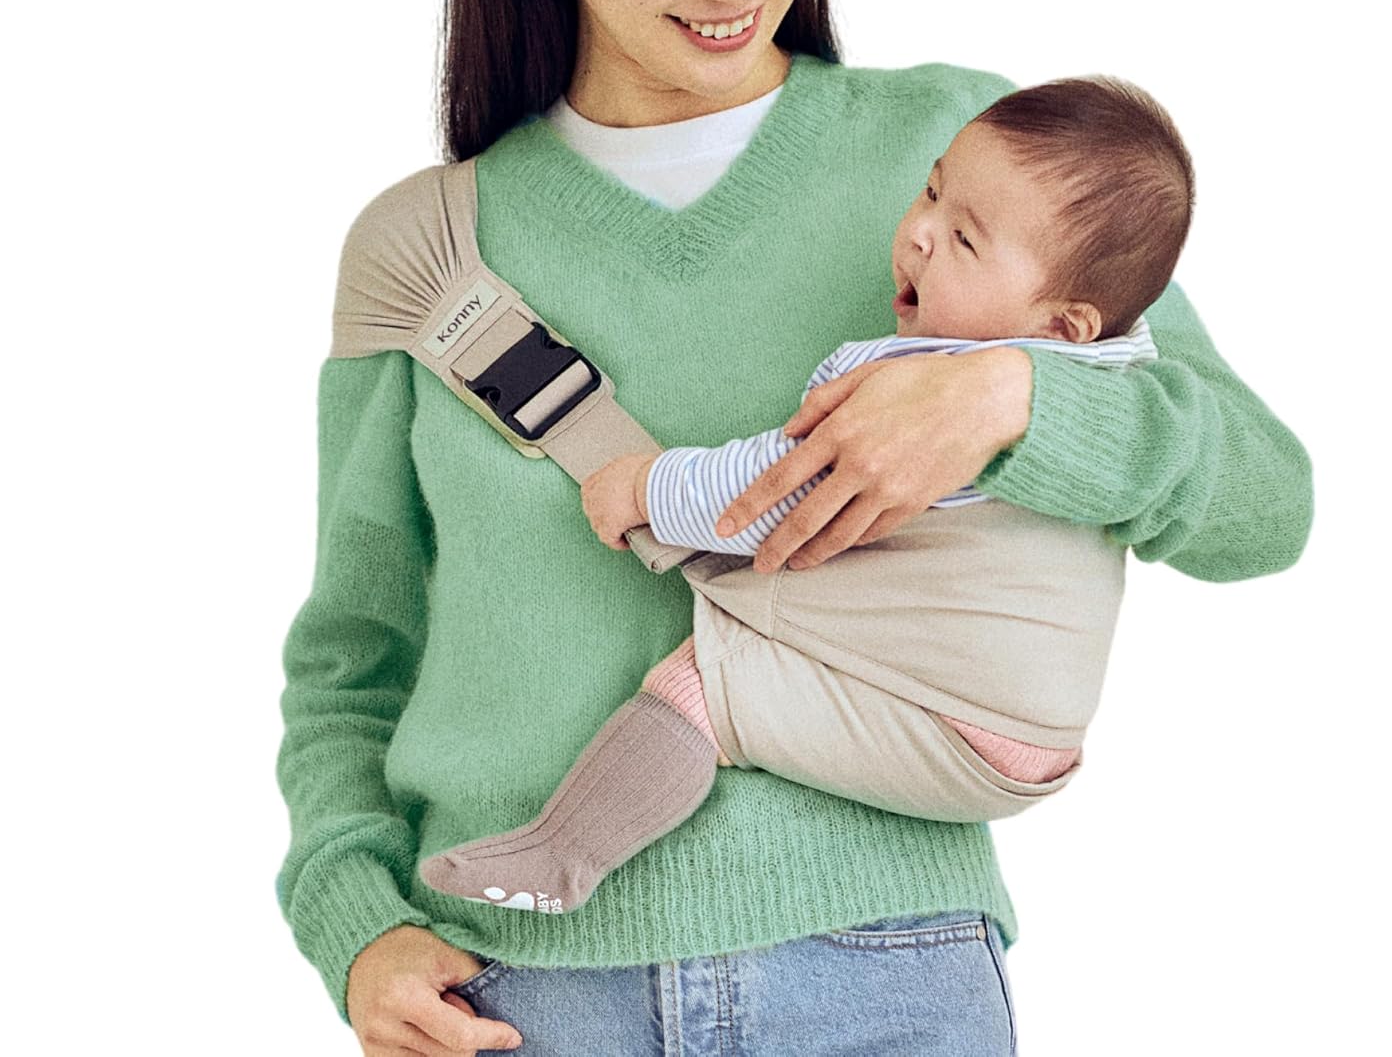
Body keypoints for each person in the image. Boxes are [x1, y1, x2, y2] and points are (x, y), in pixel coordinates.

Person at [276, 0, 1314, 1057]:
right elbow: (353, 656)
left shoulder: (968, 161)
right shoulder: (424, 256)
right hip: (524, 997)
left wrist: (1012, 401)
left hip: (886, 973)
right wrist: (353, 920)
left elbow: (1266, 505)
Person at [417, 76, 1191, 914]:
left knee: (704, 688)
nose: (920, 231)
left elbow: (779, 489)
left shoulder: (921, 384)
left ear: (1063, 327)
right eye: (932, 191)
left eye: (965, 240)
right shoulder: (1126, 373)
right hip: (1024, 721)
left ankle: (563, 855)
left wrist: (645, 489)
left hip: (954, 714)